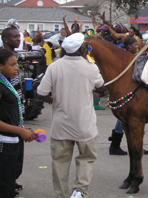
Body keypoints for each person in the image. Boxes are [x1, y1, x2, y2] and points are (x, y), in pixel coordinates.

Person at [37, 33, 104, 198]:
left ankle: (62, 194)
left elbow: (41, 92)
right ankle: (80, 191)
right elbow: (101, 88)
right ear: (82, 49)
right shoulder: (91, 67)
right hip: (85, 125)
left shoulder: (54, 66)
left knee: (60, 162)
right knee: (86, 159)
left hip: (61, 125)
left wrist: (55, 100)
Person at [0, 50, 35, 198]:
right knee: (1, 184)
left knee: (8, 180)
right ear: (0, 66)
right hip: (1, 143)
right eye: (11, 65)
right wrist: (19, 131)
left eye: (16, 64)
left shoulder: (5, 83)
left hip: (11, 140)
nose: (15, 68)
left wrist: (22, 129)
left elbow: (8, 113)